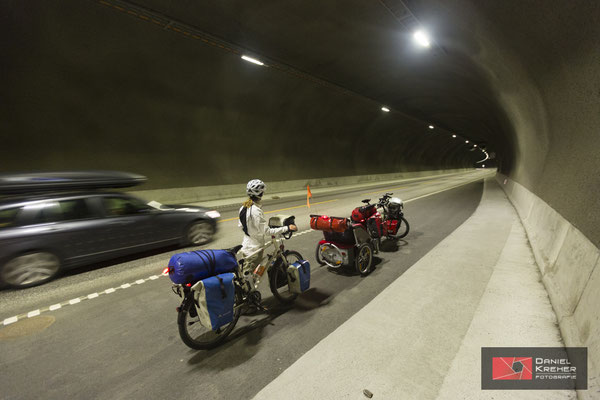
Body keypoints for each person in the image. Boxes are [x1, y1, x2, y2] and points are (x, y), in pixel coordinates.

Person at [238, 179, 297, 276]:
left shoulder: (243, 207)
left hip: (246, 245)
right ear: (260, 194)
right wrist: (287, 228)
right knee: (250, 280)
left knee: (247, 275)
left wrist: (253, 230)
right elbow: (266, 231)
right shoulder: (256, 210)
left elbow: (241, 226)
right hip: (255, 249)